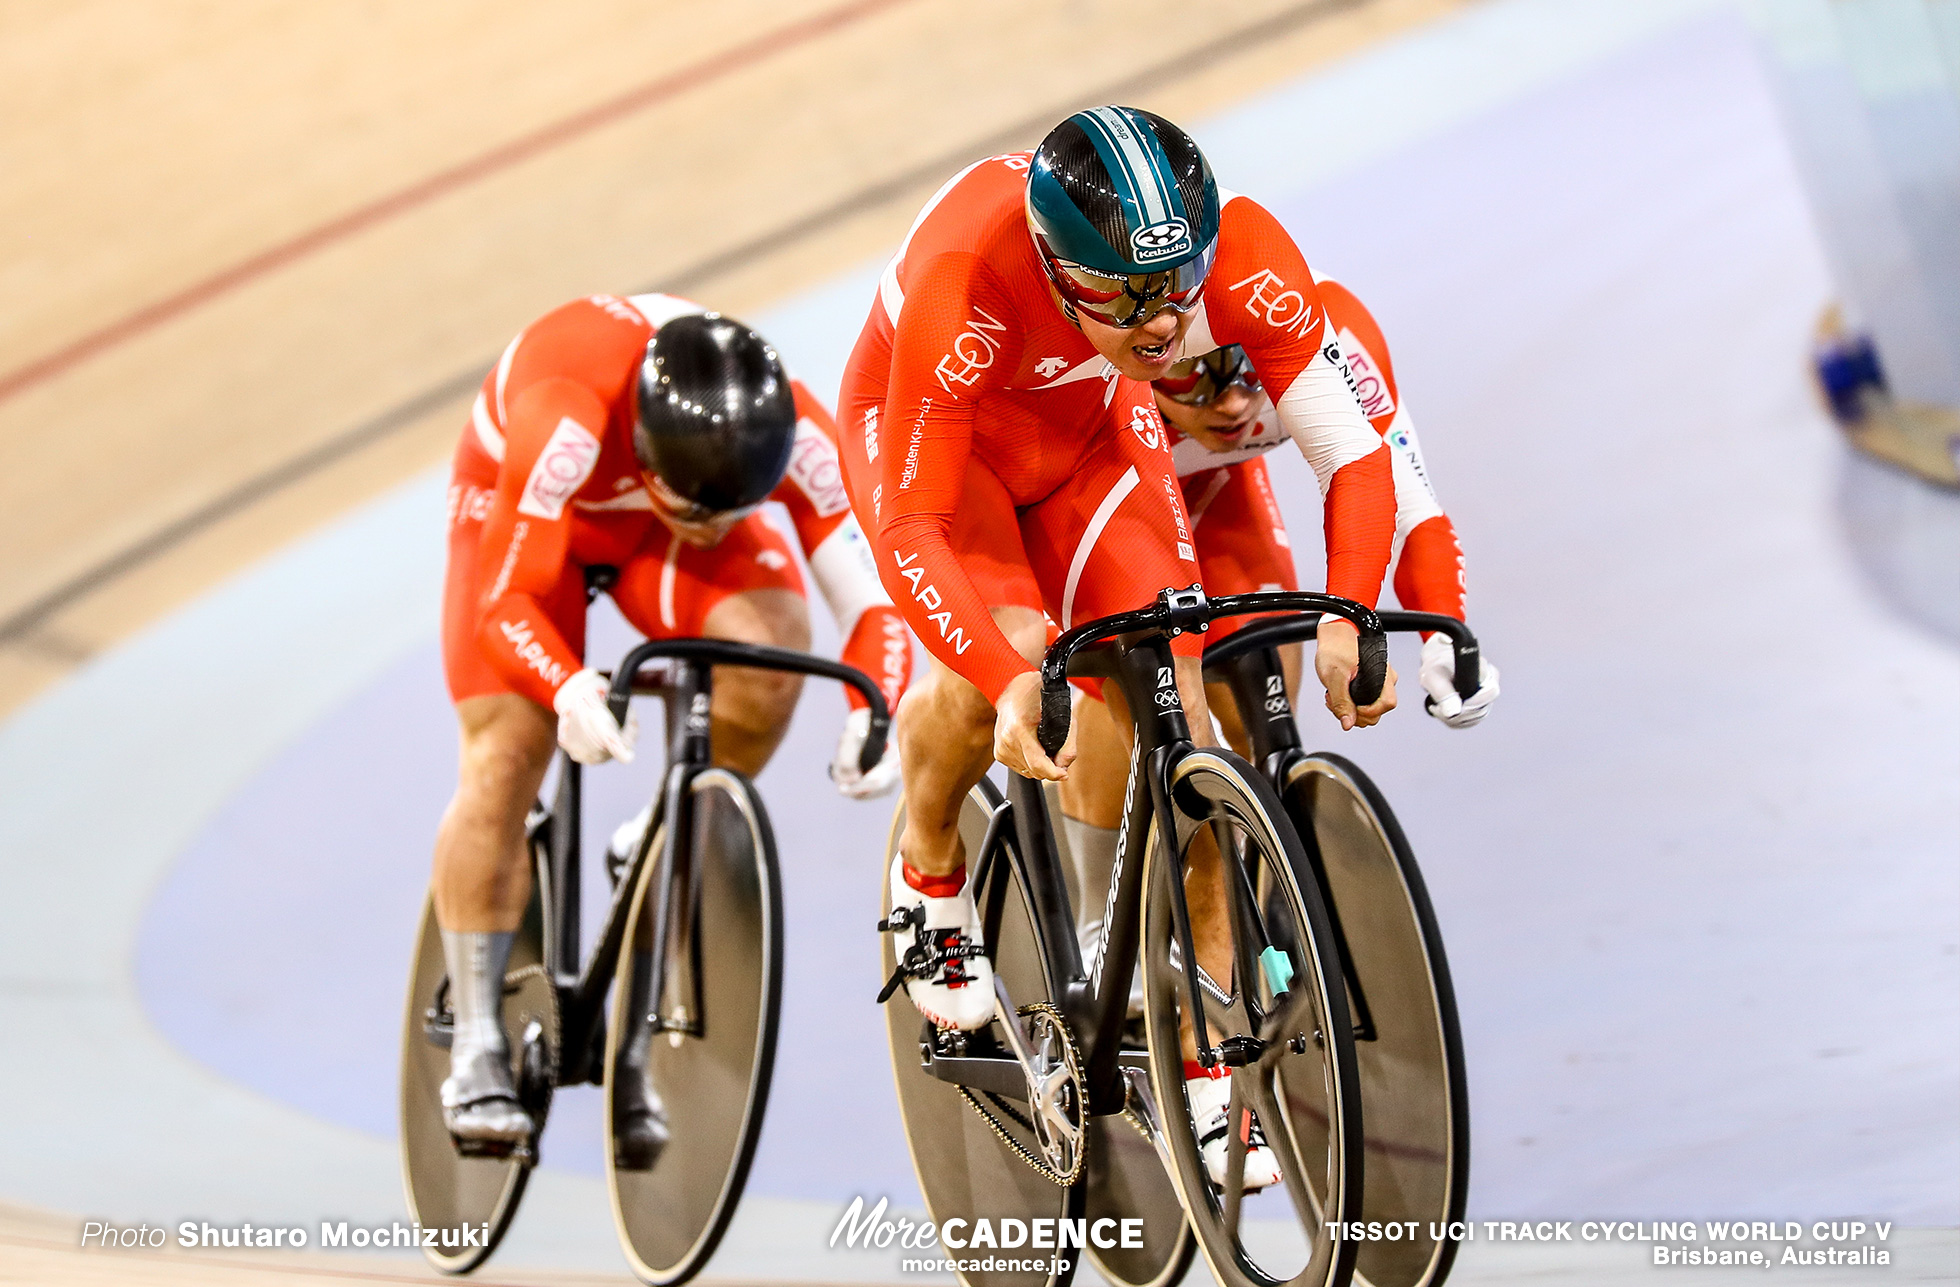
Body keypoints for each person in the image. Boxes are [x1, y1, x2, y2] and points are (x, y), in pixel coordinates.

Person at [837, 106, 1398, 1191]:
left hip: (1091, 431)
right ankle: (929, 863)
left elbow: (1354, 453)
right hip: (943, 453)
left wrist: (1348, 611)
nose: (1161, 326)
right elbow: (911, 530)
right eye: (1125, 299)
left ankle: (1148, 989)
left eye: (1179, 287)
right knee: (1017, 655)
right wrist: (1005, 681)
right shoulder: (967, 286)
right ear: (1057, 269)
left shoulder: (1235, 258)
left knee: (1169, 681)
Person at [433, 292, 911, 1157]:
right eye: (705, 514)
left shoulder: (794, 429)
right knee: (508, 751)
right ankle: (474, 1043)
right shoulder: (566, 418)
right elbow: (507, 604)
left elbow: (873, 600)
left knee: (771, 660)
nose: (722, 529)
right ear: (653, 461)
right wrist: (567, 685)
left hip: (650, 520)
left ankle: (654, 832)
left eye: (735, 511)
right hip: (526, 511)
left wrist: (871, 710)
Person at [1056, 278, 1502, 1186]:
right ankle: (1106, 921)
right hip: (1112, 478)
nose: (1228, 402)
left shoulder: (1332, 337)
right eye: (1200, 383)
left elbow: (1409, 498)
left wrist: (1443, 632)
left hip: (1217, 497)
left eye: (1247, 377)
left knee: (1259, 687)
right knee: (1133, 662)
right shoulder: (1121, 377)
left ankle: (1241, 885)